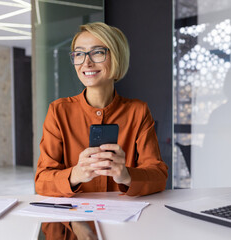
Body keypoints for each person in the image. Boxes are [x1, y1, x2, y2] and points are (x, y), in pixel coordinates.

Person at [35, 22, 168, 197]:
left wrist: (125, 175)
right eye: (79, 54)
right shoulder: (58, 111)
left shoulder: (138, 111)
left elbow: (159, 176)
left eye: (97, 52)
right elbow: (42, 182)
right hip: (75, 219)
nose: (86, 63)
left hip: (126, 220)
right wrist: (76, 174)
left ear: (117, 57)